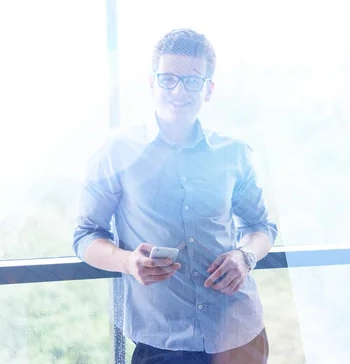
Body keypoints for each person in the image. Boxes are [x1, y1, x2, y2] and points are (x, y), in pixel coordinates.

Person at [72, 28, 277, 364]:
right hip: (162, 343)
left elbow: (261, 226)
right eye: (168, 79)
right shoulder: (116, 152)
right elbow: (84, 236)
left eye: (192, 81)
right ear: (152, 83)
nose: (179, 90)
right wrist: (127, 262)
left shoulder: (235, 153)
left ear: (208, 89)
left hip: (240, 334)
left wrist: (245, 257)